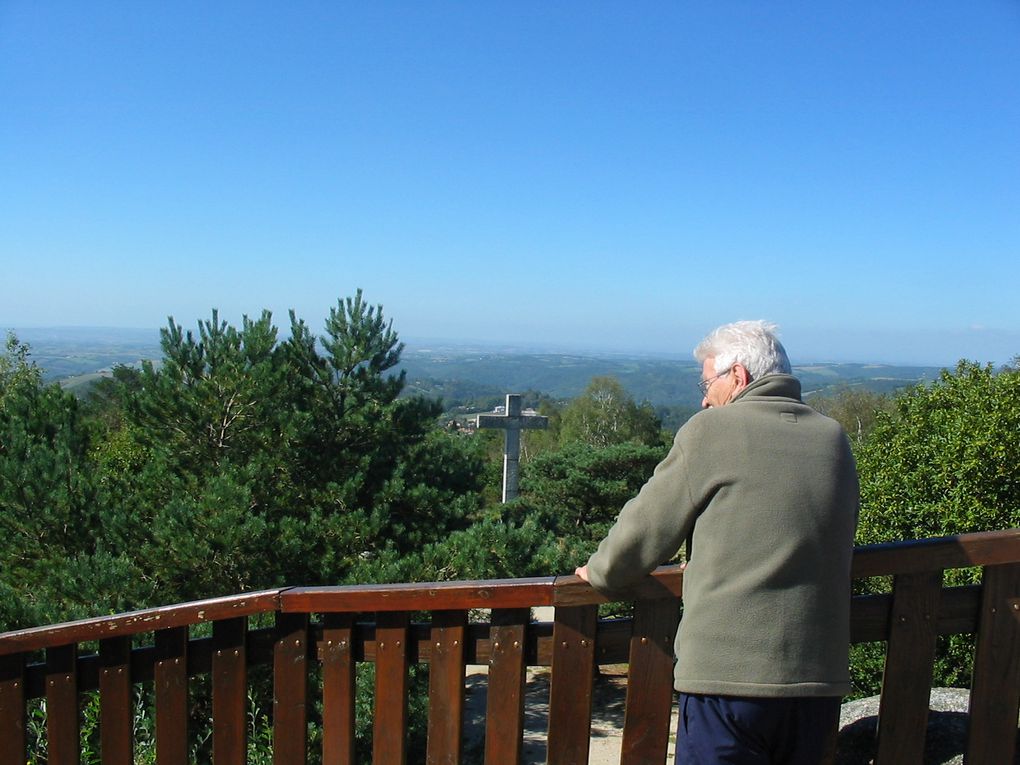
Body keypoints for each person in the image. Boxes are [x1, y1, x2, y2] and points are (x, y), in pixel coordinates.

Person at [575, 320, 859, 765]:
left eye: (707, 383)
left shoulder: (711, 430)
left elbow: (644, 531)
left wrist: (601, 573)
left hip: (727, 678)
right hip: (817, 679)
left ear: (739, 376)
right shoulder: (833, 437)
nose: (704, 397)